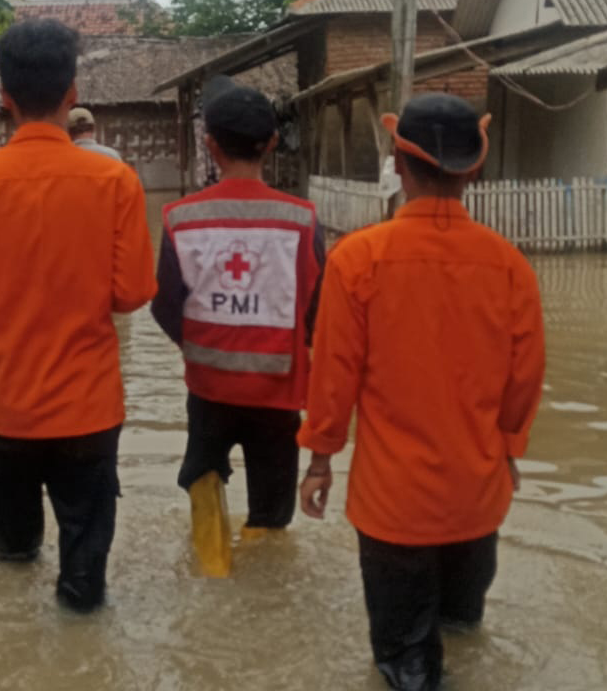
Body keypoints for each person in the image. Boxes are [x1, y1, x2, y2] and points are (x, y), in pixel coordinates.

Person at [297, 93, 545, 691]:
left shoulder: (358, 260)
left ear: (397, 163)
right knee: (463, 631)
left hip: (393, 512)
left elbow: (334, 376)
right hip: (476, 503)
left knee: (406, 668)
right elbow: (525, 378)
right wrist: (508, 451)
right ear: (474, 168)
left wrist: (320, 459)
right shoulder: (510, 266)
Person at [0, 18, 157, 613]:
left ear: (3, 98)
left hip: (7, 411)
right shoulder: (115, 180)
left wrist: (8, 298)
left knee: (12, 560)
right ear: (72, 91)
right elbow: (133, 293)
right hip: (89, 409)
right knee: (84, 583)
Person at [151, 83, 324, 577]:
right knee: (271, 499)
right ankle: (263, 594)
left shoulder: (180, 218)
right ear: (271, 143)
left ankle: (212, 570)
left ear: (211, 144)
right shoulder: (302, 220)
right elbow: (318, 309)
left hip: (209, 387)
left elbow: (165, 306)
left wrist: (202, 348)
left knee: (203, 474)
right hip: (279, 391)